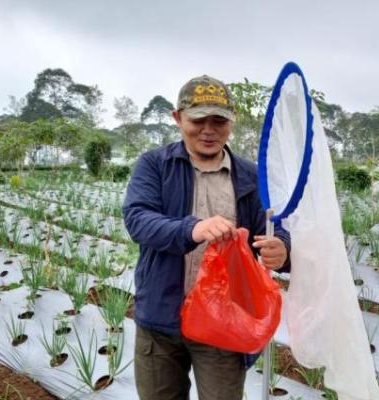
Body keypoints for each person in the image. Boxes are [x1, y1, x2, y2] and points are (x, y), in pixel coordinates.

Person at [122, 75, 290, 400]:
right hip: (160, 318)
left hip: (223, 320)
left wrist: (282, 247)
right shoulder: (154, 166)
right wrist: (192, 229)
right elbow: (138, 219)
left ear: (232, 121)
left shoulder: (252, 176)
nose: (208, 130)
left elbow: (274, 227)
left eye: (219, 120)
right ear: (177, 118)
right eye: (198, 120)